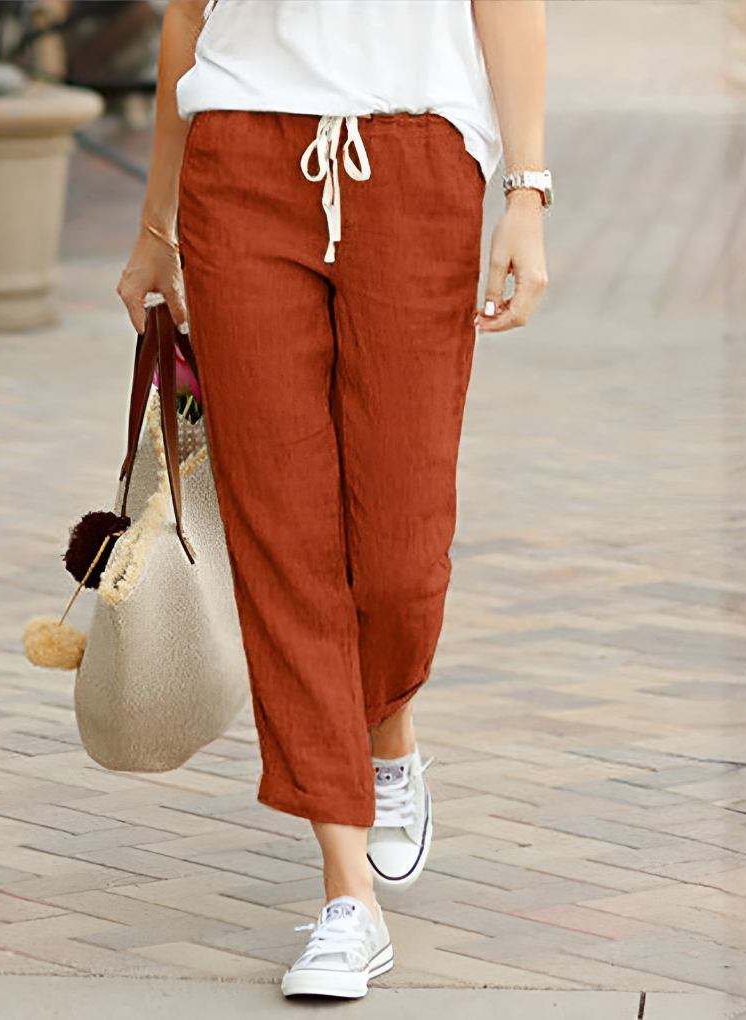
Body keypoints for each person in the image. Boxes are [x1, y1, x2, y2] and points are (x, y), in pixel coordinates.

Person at [118, 0, 548, 1000]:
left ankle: (386, 726)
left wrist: (526, 192)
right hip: (239, 157)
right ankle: (346, 890)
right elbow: (186, 17)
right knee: (281, 531)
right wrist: (155, 228)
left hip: (415, 157)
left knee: (400, 552)